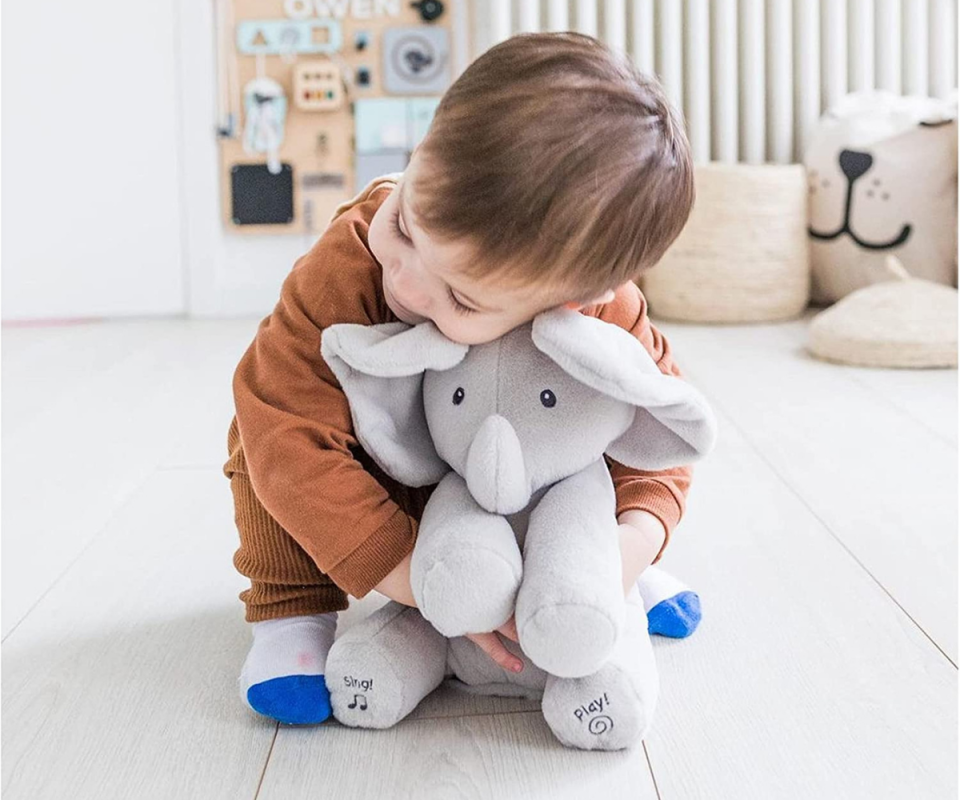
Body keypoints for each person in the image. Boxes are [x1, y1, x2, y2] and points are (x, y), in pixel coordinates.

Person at [225, 32, 699, 725]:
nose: (408, 285)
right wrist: (418, 582)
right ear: (421, 154)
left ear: (567, 302)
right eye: (408, 227)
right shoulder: (346, 265)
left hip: (505, 496)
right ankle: (290, 610)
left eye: (464, 299)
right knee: (261, 432)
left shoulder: (602, 312)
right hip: (380, 486)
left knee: (589, 437)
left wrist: (615, 558)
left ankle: (579, 566)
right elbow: (283, 432)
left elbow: (662, 429)